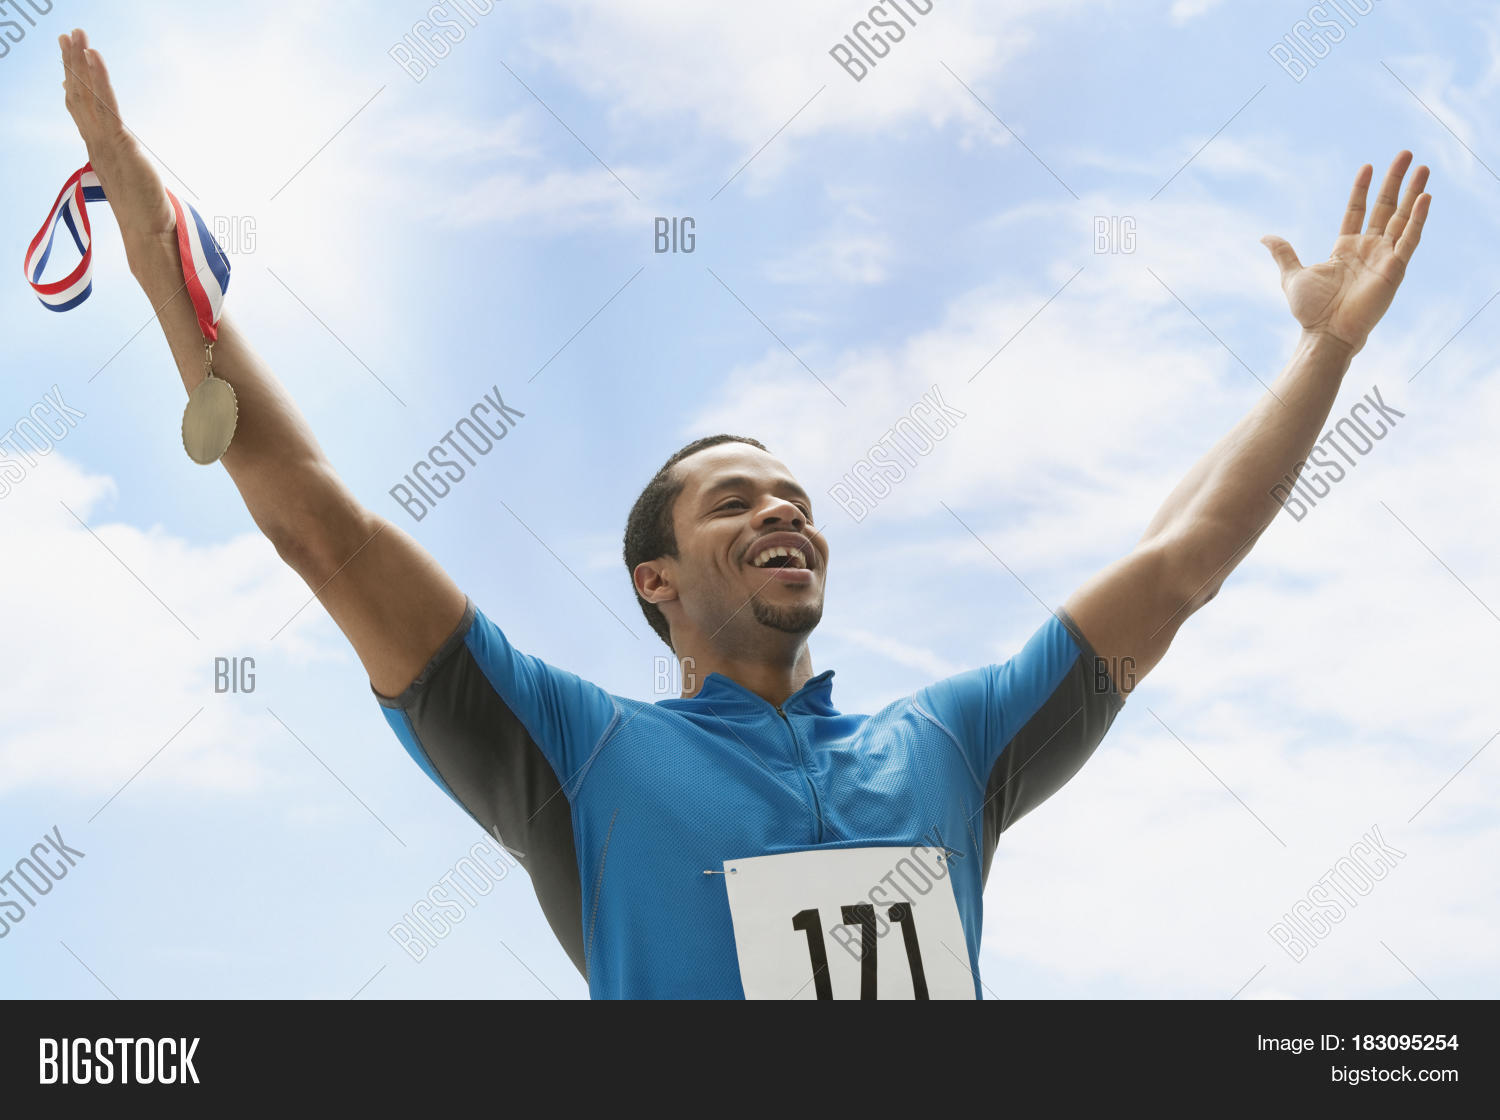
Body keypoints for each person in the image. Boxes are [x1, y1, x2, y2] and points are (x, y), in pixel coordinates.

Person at [57, 27, 1431, 998]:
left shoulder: (950, 740)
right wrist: (156, 255)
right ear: (655, 579)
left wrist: (1323, 355)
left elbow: (1177, 565)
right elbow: (325, 531)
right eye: (737, 502)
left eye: (800, 499)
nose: (787, 513)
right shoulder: (577, 753)